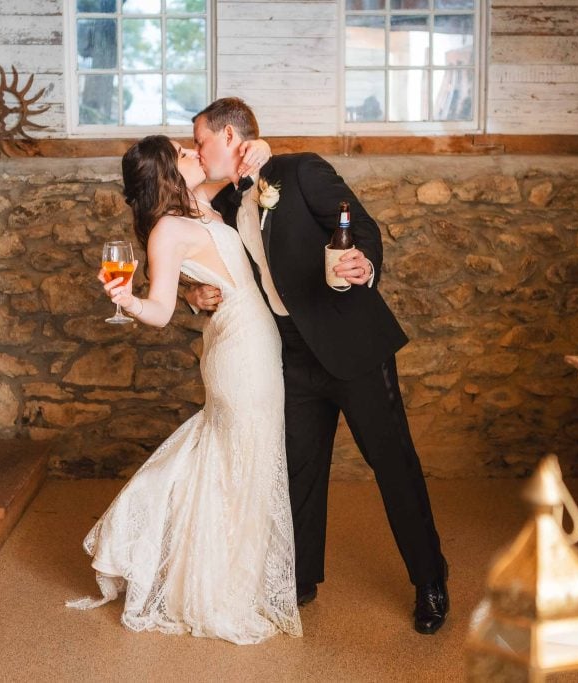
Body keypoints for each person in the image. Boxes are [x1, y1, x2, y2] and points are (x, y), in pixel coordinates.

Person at [187, 97, 449, 635]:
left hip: (351, 344)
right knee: (300, 471)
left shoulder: (300, 171)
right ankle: (301, 579)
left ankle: (430, 579)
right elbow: (210, 257)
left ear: (232, 136)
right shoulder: (228, 199)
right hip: (288, 353)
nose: (196, 150)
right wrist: (195, 292)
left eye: (202, 141)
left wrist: (363, 262)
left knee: (392, 464)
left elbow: (362, 226)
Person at [66, 135, 302, 645]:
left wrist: (257, 144)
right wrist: (127, 299)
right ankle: (218, 592)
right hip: (239, 351)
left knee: (239, 462)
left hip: (253, 338)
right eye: (184, 153)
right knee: (240, 462)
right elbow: (160, 311)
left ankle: (226, 578)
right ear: (168, 173)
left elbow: (236, 166)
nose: (196, 154)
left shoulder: (200, 206)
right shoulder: (167, 230)